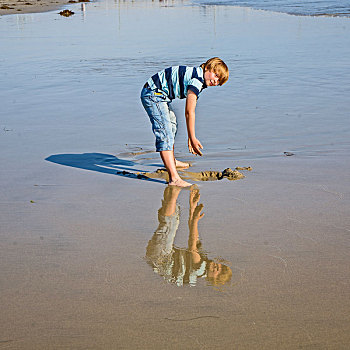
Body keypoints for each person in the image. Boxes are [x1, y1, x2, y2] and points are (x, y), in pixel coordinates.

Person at [140, 57, 229, 187]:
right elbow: (189, 112)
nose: (216, 81)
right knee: (165, 133)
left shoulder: (198, 77)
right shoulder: (197, 80)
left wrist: (189, 135)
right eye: (216, 75)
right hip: (153, 94)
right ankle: (174, 178)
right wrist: (192, 137)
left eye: (219, 81)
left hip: (160, 95)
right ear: (208, 68)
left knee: (172, 125)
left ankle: (172, 160)